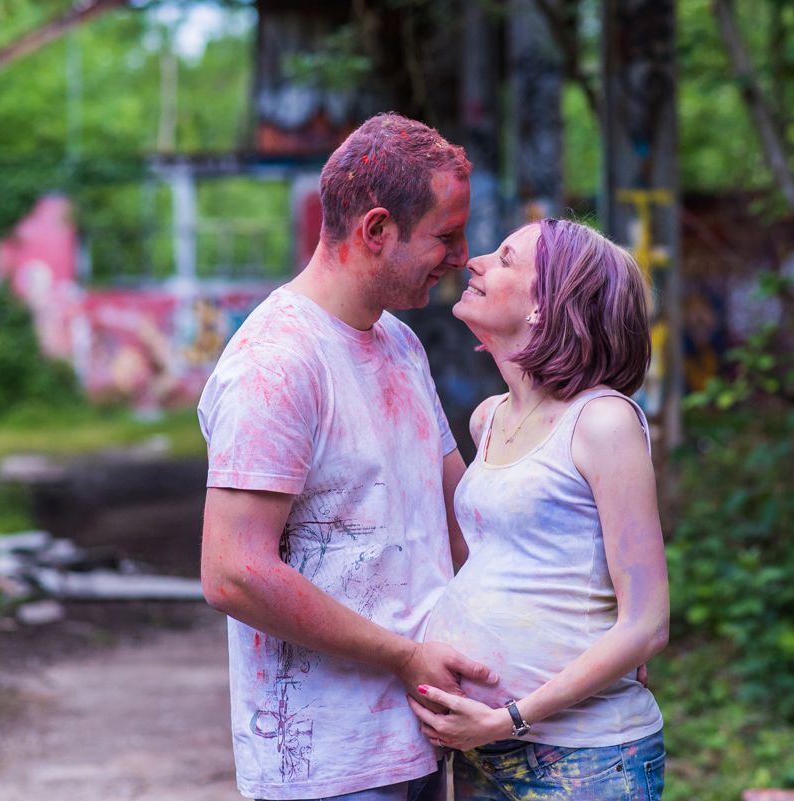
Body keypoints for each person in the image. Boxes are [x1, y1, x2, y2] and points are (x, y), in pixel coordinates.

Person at [198, 112, 496, 801]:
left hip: (420, 743)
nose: (461, 255)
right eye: (445, 236)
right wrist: (403, 654)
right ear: (376, 231)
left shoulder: (399, 342)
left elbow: (460, 523)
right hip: (327, 770)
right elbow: (232, 572)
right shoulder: (275, 362)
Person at [408, 218, 669, 801]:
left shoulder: (603, 422)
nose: (475, 263)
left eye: (505, 259)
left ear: (547, 309)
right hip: (481, 748)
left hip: (585, 757)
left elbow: (647, 623)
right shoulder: (487, 418)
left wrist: (509, 717)